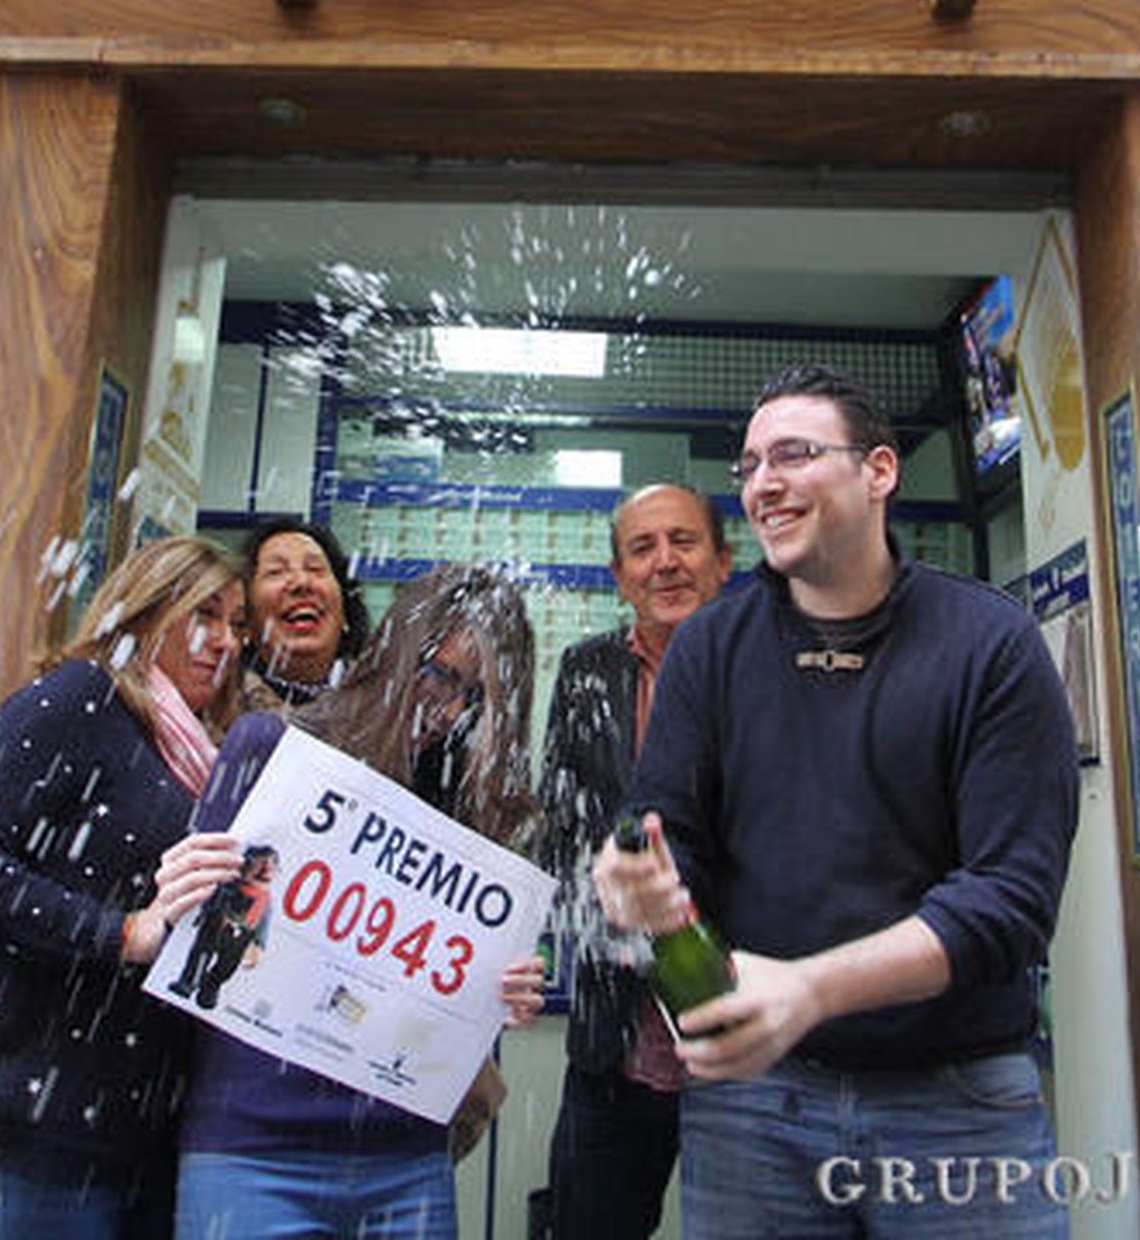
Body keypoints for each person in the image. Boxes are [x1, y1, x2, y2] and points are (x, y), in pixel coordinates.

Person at [594, 365, 1080, 1238]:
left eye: (793, 454)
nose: (763, 484)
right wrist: (645, 894)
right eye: (748, 466)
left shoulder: (992, 641)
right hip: (754, 1108)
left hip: (960, 1100)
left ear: (879, 471)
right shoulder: (708, 648)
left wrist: (812, 989)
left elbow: (1010, 899)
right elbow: (674, 843)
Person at [173, 562, 546, 1240]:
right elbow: (190, 940)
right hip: (252, 1148)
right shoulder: (274, 749)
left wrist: (504, 989)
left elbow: (456, 1000)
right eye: (439, 674)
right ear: (400, 653)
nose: (453, 710)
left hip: (406, 1160)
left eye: (479, 695)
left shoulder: (475, 824)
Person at [0, 535, 254, 1238]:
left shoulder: (211, 759)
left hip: (147, 1155)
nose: (225, 641)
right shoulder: (84, 697)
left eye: (238, 624)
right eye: (204, 614)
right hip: (29, 1144)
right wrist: (121, 932)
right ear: (146, 613)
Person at [537, 484, 733, 1239]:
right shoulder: (587, 670)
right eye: (643, 548)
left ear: (724, 559)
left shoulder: (770, 666)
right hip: (614, 1046)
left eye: (684, 542)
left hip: (747, 1035)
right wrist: (607, 925)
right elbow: (562, 829)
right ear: (619, 575)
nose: (666, 563)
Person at [240, 516, 372, 710]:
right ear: (246, 620)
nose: (301, 582)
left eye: (315, 569)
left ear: (345, 612)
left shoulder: (388, 704)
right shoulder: (218, 708)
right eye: (276, 571)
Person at [167, 843, 280, 1009]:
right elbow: (213, 899)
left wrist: (258, 945)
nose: (263, 872)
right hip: (216, 924)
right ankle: (189, 982)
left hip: (241, 934)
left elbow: (264, 924)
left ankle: (210, 988)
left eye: (268, 868)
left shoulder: (266, 900)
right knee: (200, 954)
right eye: (257, 866)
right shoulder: (228, 884)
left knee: (226, 967)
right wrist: (204, 913)